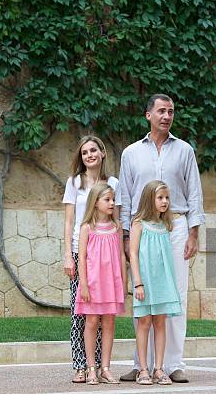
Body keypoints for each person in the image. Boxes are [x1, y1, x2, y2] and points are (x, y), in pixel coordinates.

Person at [117, 94, 205, 383]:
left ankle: (172, 364)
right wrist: (126, 236)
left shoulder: (185, 151)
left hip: (175, 227)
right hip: (142, 230)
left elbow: (194, 193)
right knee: (143, 296)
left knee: (175, 297)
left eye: (171, 111)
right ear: (148, 115)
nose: (167, 116)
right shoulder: (131, 153)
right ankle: (141, 363)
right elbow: (125, 197)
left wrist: (194, 232)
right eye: (161, 111)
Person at [62, 135, 118, 383]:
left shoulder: (113, 182)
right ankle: (80, 365)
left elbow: (117, 217)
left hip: (105, 253)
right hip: (80, 251)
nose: (90, 155)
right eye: (85, 152)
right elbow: (69, 221)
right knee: (81, 313)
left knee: (102, 314)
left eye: (94, 150)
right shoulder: (74, 182)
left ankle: (99, 366)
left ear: (102, 153)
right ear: (81, 157)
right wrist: (68, 255)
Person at [129, 180, 182, 385]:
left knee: (160, 323)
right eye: (160, 198)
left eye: (167, 198)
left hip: (162, 283)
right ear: (149, 199)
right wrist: (138, 283)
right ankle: (143, 369)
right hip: (145, 282)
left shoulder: (165, 225)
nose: (165, 201)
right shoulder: (138, 223)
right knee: (144, 323)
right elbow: (133, 254)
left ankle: (159, 369)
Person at [74, 183, 127, 385]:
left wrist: (123, 282)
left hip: (111, 283)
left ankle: (106, 368)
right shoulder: (87, 228)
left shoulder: (117, 227)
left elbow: (121, 256)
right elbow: (83, 257)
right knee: (91, 322)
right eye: (107, 200)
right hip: (93, 284)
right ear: (95, 203)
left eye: (113, 199)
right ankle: (91, 367)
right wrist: (84, 285)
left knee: (109, 323)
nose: (112, 203)